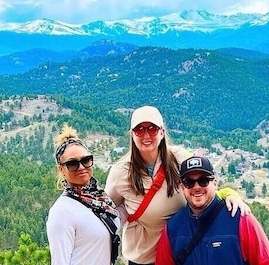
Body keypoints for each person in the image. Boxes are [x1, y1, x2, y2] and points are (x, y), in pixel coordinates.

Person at [105, 105, 250, 265]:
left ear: (162, 132)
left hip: (184, 253)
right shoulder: (120, 172)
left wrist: (230, 194)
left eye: (152, 129)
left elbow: (205, 182)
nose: (146, 135)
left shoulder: (179, 158)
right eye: (140, 130)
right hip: (145, 258)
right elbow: (107, 211)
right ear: (132, 135)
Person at [156, 155, 269, 265]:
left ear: (215, 183)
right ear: (182, 187)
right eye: (189, 182)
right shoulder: (173, 229)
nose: (197, 187)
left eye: (203, 180)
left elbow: (265, 261)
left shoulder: (239, 218)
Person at [46, 124, 120, 265]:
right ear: (61, 169)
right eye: (72, 164)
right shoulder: (62, 211)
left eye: (86, 160)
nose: (81, 167)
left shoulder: (100, 200)